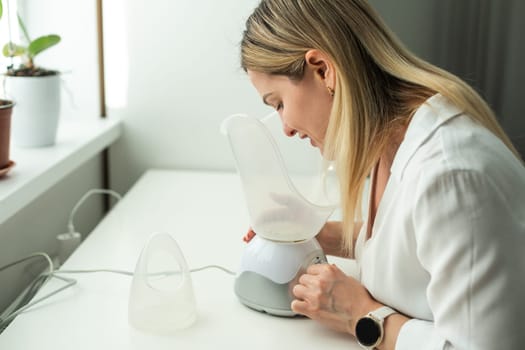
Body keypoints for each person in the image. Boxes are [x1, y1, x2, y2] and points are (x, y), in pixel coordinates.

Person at [239, 0, 525, 349]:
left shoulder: (450, 175)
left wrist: (361, 316)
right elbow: (414, 240)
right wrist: (321, 235)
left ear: (322, 70)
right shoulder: (393, 139)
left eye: (279, 103)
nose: (285, 128)